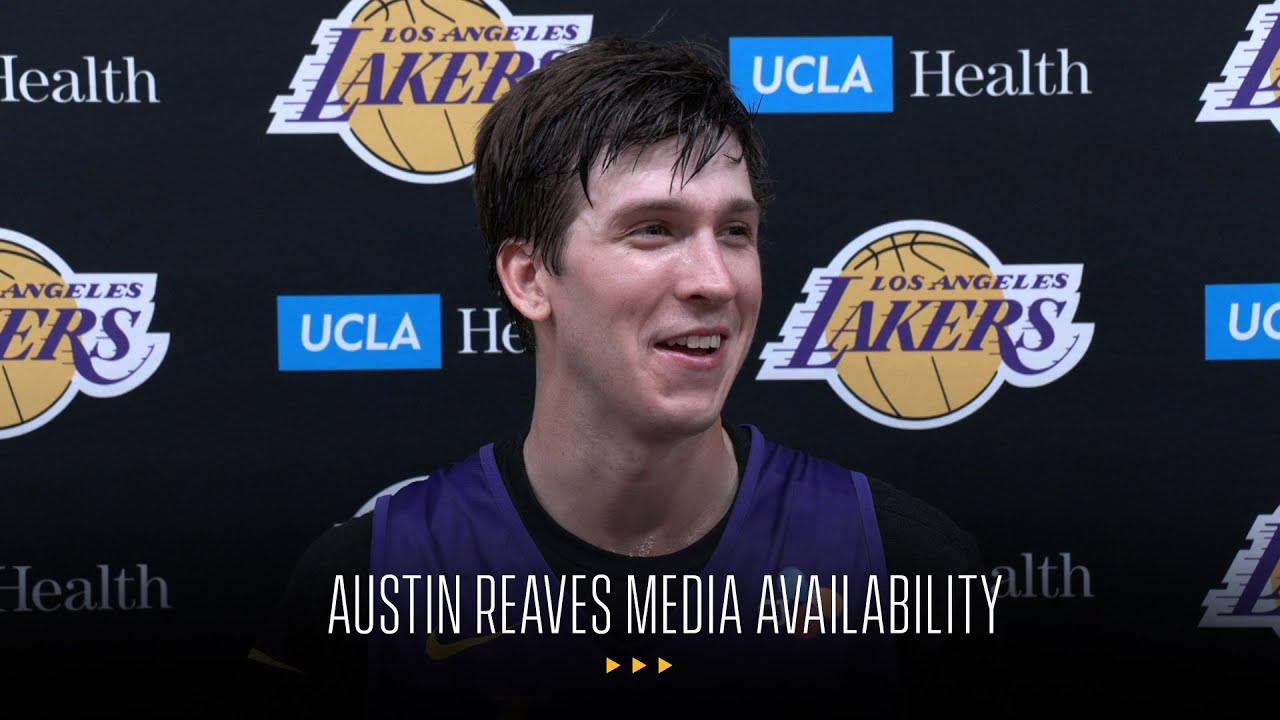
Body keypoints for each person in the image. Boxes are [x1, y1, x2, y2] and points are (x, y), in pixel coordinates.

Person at [237, 34, 999, 717]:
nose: (715, 279)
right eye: (653, 231)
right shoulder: (366, 585)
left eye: (735, 231)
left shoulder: (909, 571)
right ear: (530, 278)